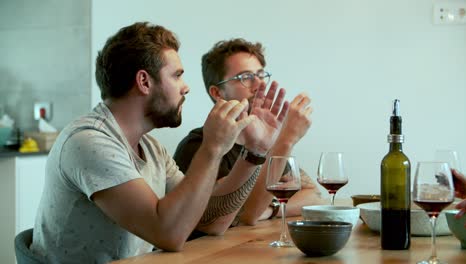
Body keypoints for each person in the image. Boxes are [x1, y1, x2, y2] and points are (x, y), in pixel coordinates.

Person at [30, 22, 288, 263]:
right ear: (144, 82)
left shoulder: (152, 148)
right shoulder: (89, 142)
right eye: (177, 75)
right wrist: (212, 148)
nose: (186, 87)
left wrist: (256, 151)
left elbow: (210, 221)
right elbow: (169, 234)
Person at [173, 38, 324, 234]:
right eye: (246, 77)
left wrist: (272, 208)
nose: (259, 84)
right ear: (217, 92)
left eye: (261, 75)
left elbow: (312, 195)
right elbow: (246, 213)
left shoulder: (268, 142)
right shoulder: (200, 145)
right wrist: (287, 139)